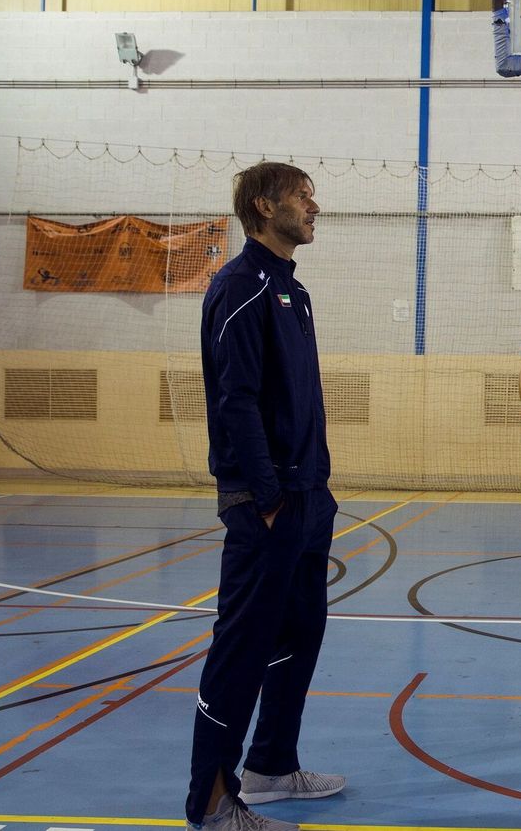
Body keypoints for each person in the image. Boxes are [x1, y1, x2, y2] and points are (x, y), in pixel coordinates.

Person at [186, 162, 345, 830]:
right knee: (243, 646)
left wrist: (315, 489)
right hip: (266, 503)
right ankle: (213, 800)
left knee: (301, 631)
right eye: (302, 196)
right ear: (262, 205)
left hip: (308, 498)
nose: (314, 206)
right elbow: (234, 401)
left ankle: (271, 766)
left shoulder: (291, 291)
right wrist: (268, 494)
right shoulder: (238, 288)